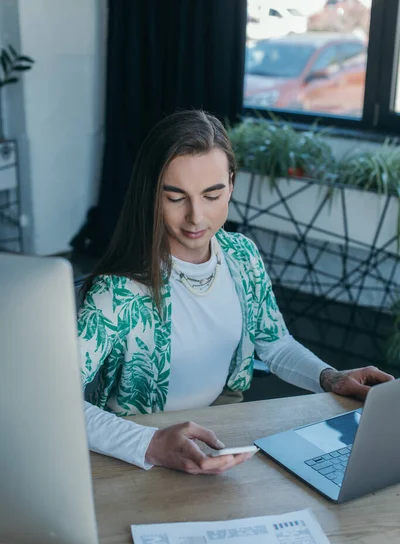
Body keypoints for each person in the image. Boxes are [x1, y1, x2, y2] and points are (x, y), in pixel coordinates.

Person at [78, 109, 393, 475]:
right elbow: (55, 401)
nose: (196, 217)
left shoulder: (241, 255)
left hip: (223, 432)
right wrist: (148, 444)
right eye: (176, 198)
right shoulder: (117, 292)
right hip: (144, 447)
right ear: (152, 195)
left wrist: (331, 377)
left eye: (212, 195)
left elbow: (274, 343)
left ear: (231, 183)